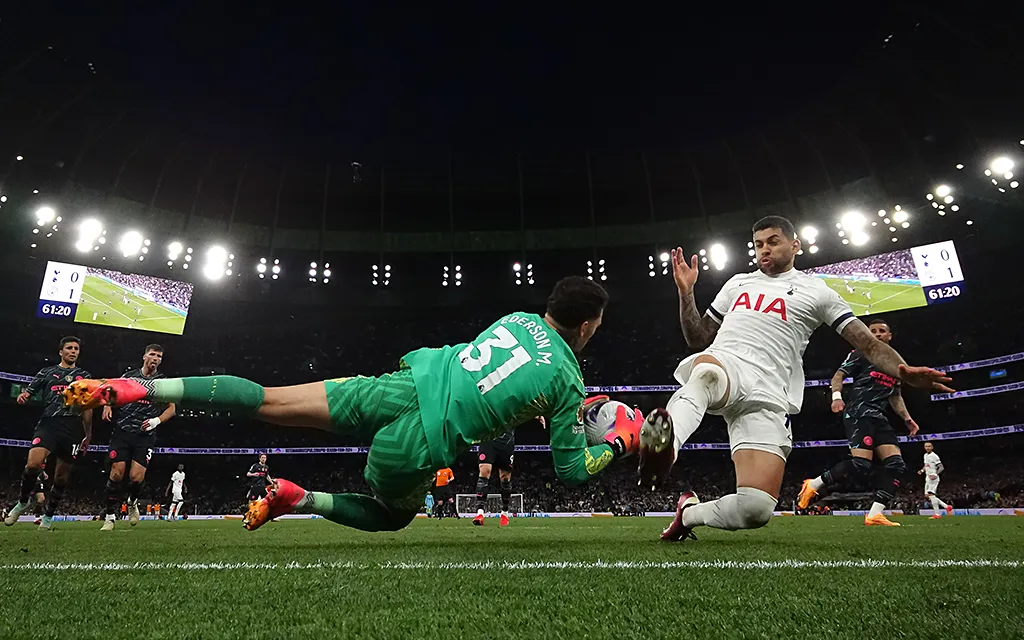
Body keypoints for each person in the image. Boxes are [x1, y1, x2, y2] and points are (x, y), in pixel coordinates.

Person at [64, 276, 641, 534]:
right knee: (392, 515)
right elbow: (570, 470)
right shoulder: (568, 379)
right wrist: (617, 442)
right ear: (588, 326)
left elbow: (505, 376)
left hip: (399, 385)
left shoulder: (515, 318)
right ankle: (298, 497)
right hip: (422, 437)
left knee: (266, 399)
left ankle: (141, 388)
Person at [637, 216, 953, 542]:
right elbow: (698, 338)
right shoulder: (737, 283)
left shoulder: (818, 292)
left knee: (755, 509)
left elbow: (868, 344)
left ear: (795, 245)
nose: (764, 250)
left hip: (771, 391)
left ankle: (688, 513)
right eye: (758, 244)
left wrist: (902, 370)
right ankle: (665, 449)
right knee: (705, 373)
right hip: (729, 364)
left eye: (773, 242)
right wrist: (686, 293)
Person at [797, 318, 922, 526]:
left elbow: (895, 394)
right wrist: (837, 397)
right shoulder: (861, 353)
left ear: (890, 336)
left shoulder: (896, 363)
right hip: (859, 412)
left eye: (882, 331)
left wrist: (907, 418)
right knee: (861, 464)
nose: (877, 334)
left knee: (896, 465)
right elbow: (838, 376)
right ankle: (814, 484)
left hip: (879, 417)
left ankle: (874, 514)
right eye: (873, 331)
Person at [4, 336, 93, 529]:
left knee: (61, 477)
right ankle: (23, 501)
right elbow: (28, 392)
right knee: (33, 464)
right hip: (49, 424)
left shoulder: (84, 376)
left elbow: (87, 407)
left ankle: (48, 516)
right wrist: (24, 396)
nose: (73, 351)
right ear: (61, 352)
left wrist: (88, 435)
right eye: (69, 348)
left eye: (76, 348)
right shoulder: (46, 372)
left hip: (72, 427)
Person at [101, 344, 175, 531]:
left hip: (145, 435)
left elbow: (171, 408)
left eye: (159, 356)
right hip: (123, 432)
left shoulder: (163, 382)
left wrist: (157, 421)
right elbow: (111, 389)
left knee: (136, 477)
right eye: (152, 354)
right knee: (116, 473)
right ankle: (109, 516)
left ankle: (132, 501)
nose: (155, 358)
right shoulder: (129, 377)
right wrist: (107, 405)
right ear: (144, 356)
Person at [472, 432, 515, 526]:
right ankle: (480, 513)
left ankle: (504, 512)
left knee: (505, 478)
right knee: (484, 471)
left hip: (506, 440)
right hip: (488, 437)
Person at [919, 442, 953, 519]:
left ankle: (937, 514)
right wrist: (922, 470)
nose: (927, 448)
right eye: (926, 446)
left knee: (931, 495)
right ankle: (947, 507)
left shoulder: (934, 456)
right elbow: (926, 465)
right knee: (927, 496)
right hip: (927, 477)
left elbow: (941, 467)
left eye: (929, 446)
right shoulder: (925, 455)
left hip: (933, 478)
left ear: (932, 447)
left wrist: (935, 474)